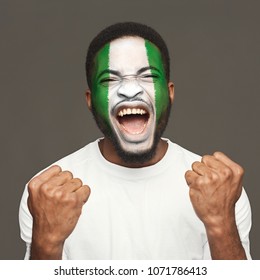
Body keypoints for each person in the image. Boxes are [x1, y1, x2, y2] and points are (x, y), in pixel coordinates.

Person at [19, 22, 251, 260]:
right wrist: (46, 243)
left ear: (170, 92)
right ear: (90, 99)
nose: (130, 91)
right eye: (109, 80)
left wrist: (220, 224)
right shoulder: (47, 193)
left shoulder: (220, 188)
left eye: (148, 76)